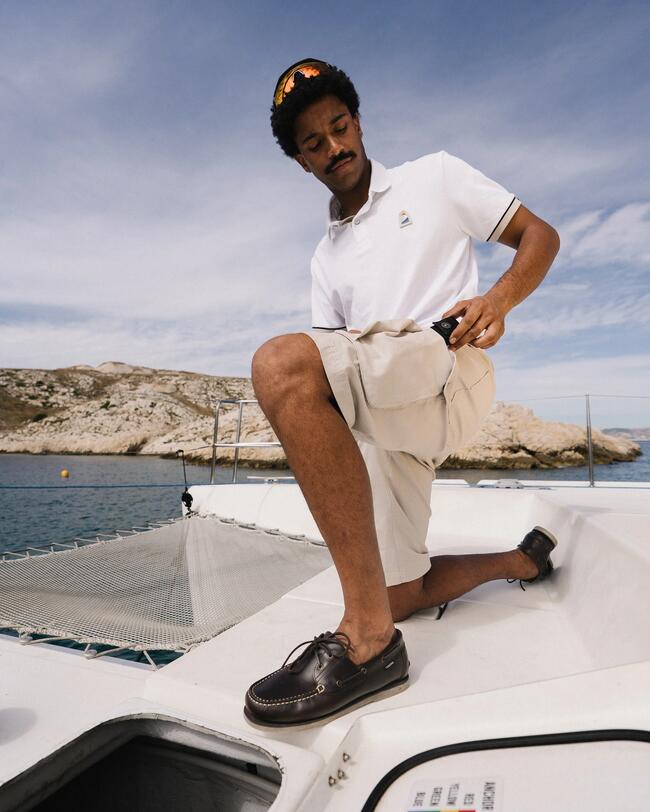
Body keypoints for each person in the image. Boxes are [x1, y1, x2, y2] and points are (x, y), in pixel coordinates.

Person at [244, 59, 560, 728]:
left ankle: (367, 644)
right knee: (400, 591)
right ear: (301, 163)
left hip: (449, 366)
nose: (335, 147)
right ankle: (521, 561)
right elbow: (338, 371)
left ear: (358, 121)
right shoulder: (324, 259)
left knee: (281, 367)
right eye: (314, 143)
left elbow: (540, 234)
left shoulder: (435, 178)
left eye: (340, 126)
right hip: (392, 408)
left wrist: (499, 299)